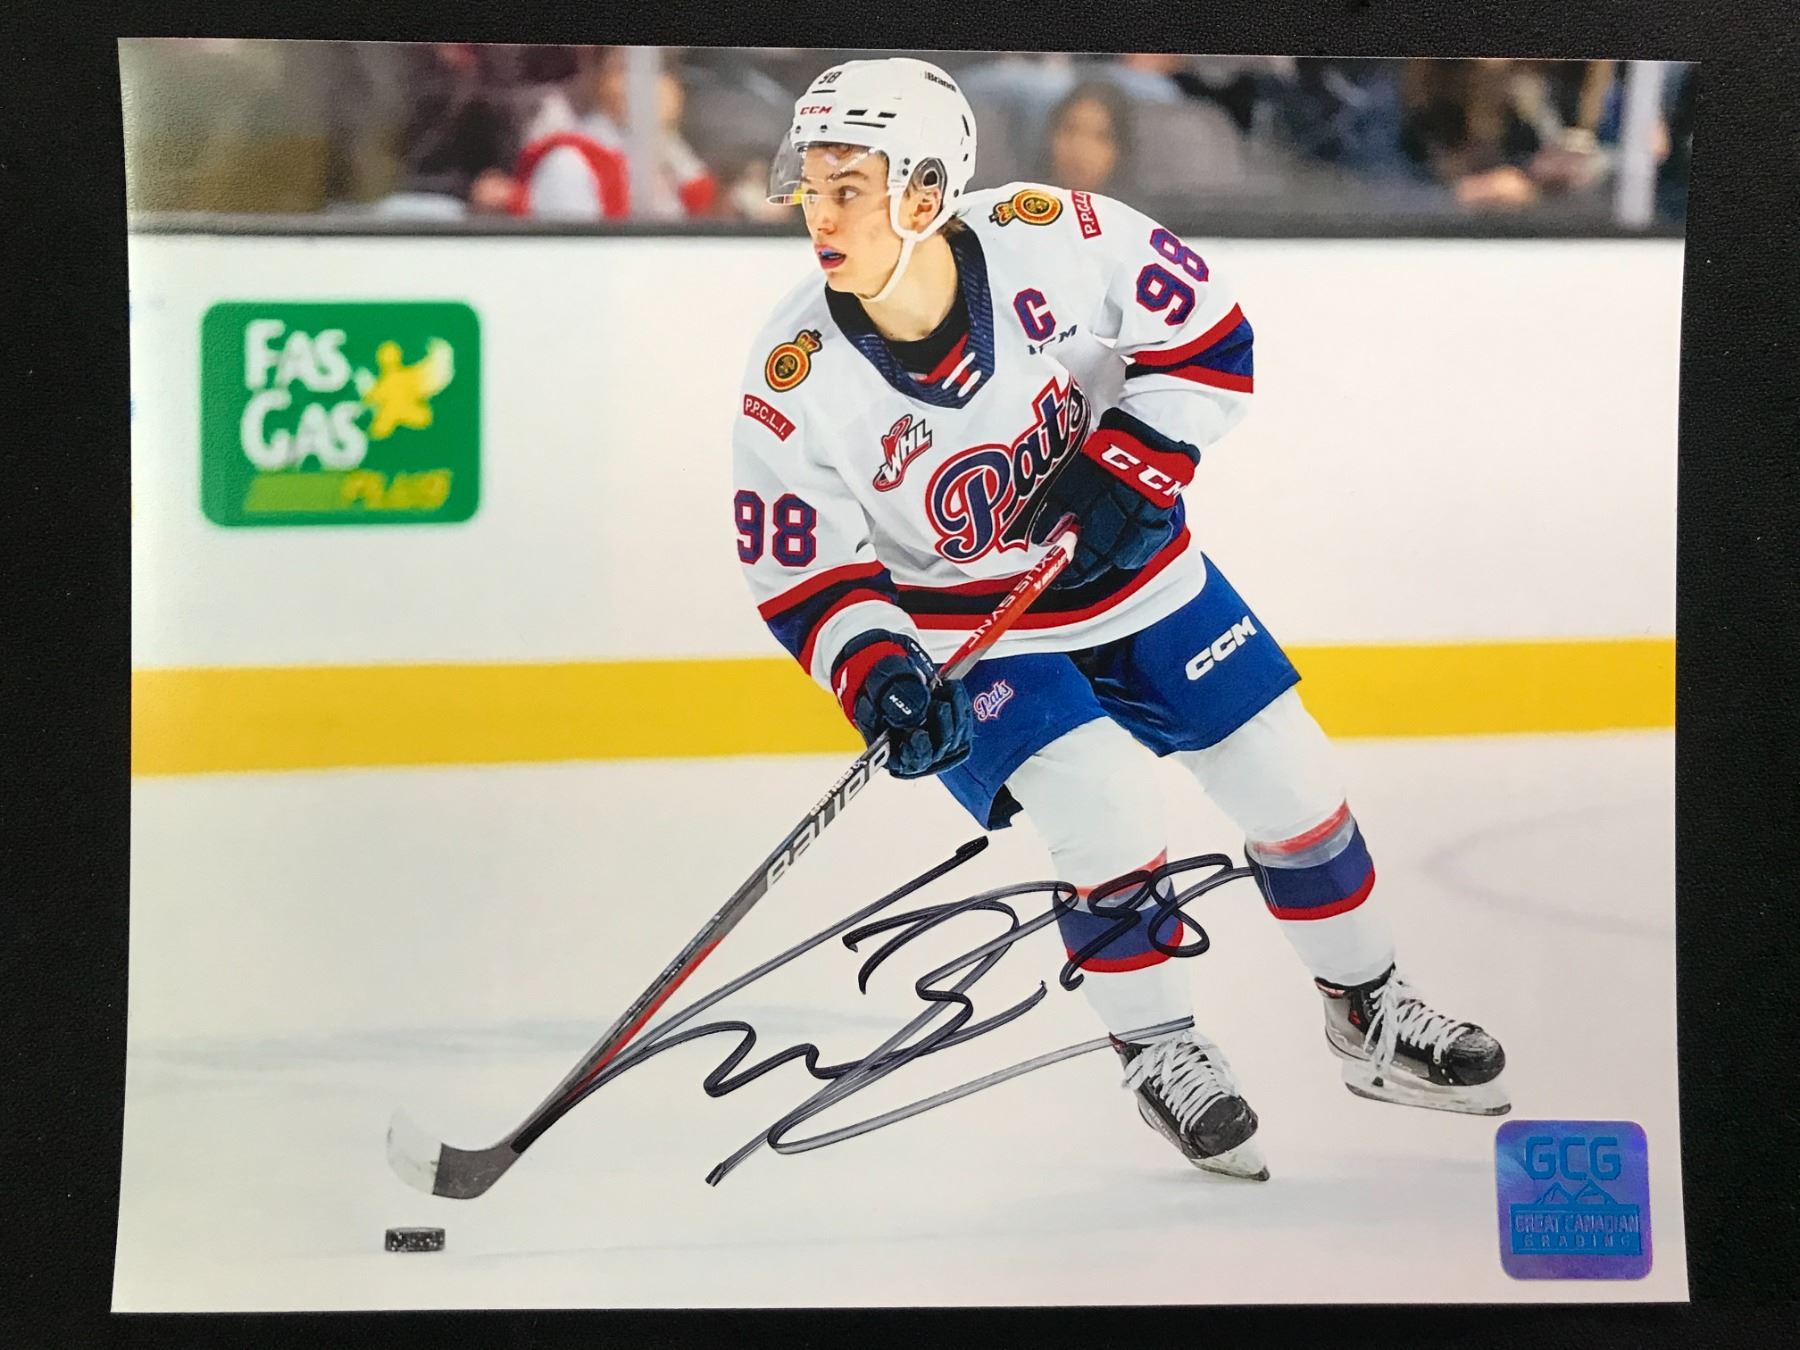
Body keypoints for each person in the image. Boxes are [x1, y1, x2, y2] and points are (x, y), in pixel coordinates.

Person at [730, 57, 1508, 1180]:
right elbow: (803, 573)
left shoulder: (1056, 238)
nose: (818, 213)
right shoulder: (793, 376)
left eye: (848, 186)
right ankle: (1159, 1051)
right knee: (1103, 807)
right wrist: (876, 669)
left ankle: (1370, 1011)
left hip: (1142, 579)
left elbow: (1211, 339)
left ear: (926, 190)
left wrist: (1135, 463)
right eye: (811, 185)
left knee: (1291, 781)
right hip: (974, 634)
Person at [511, 46, 715, 220]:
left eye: (658, 70)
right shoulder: (570, 162)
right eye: (623, 70)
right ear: (597, 79)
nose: (644, 84)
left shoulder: (673, 159)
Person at [1043, 81, 1134, 196]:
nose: (1080, 148)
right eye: (1070, 129)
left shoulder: (1132, 207)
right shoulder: (1023, 196)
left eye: (1099, 137)